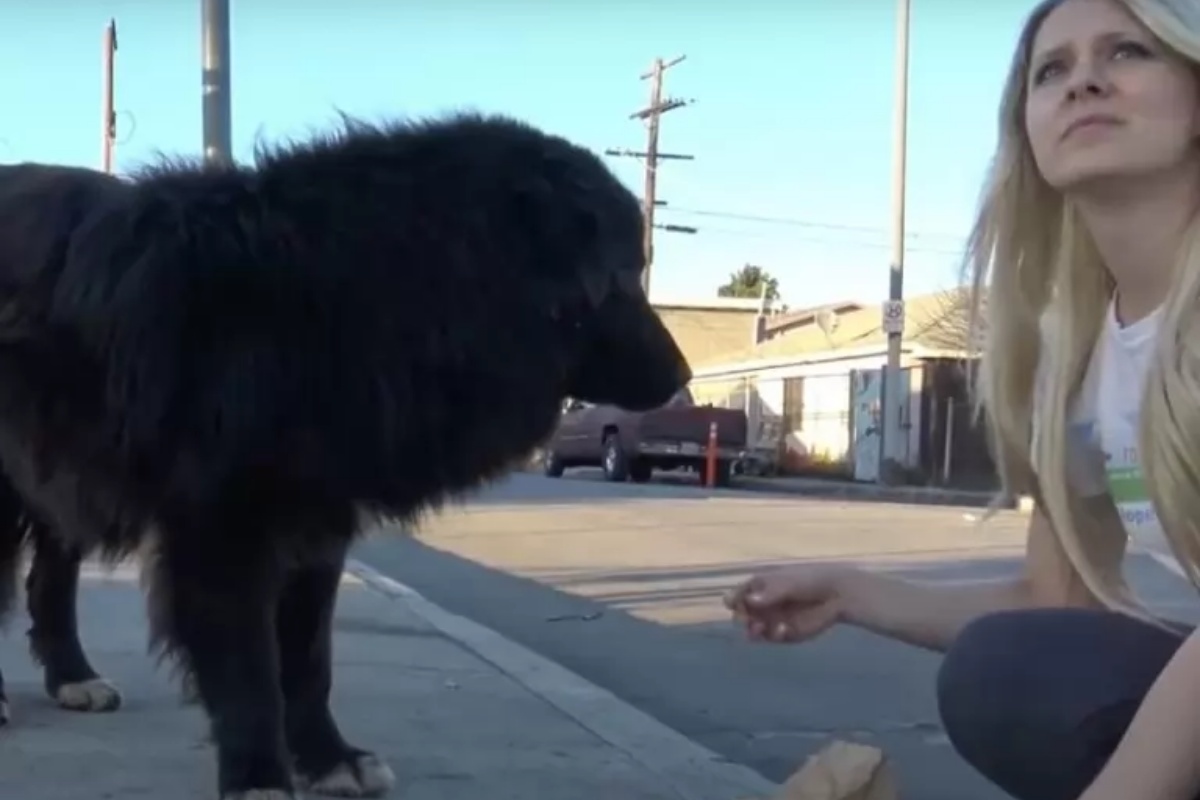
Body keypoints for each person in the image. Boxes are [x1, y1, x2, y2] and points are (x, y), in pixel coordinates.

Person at [725, 0, 1200, 798]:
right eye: (1053, 70)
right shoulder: (1071, 358)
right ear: (1028, 131)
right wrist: (849, 590)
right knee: (1012, 672)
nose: (1083, 82)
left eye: (1126, 52)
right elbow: (1055, 599)